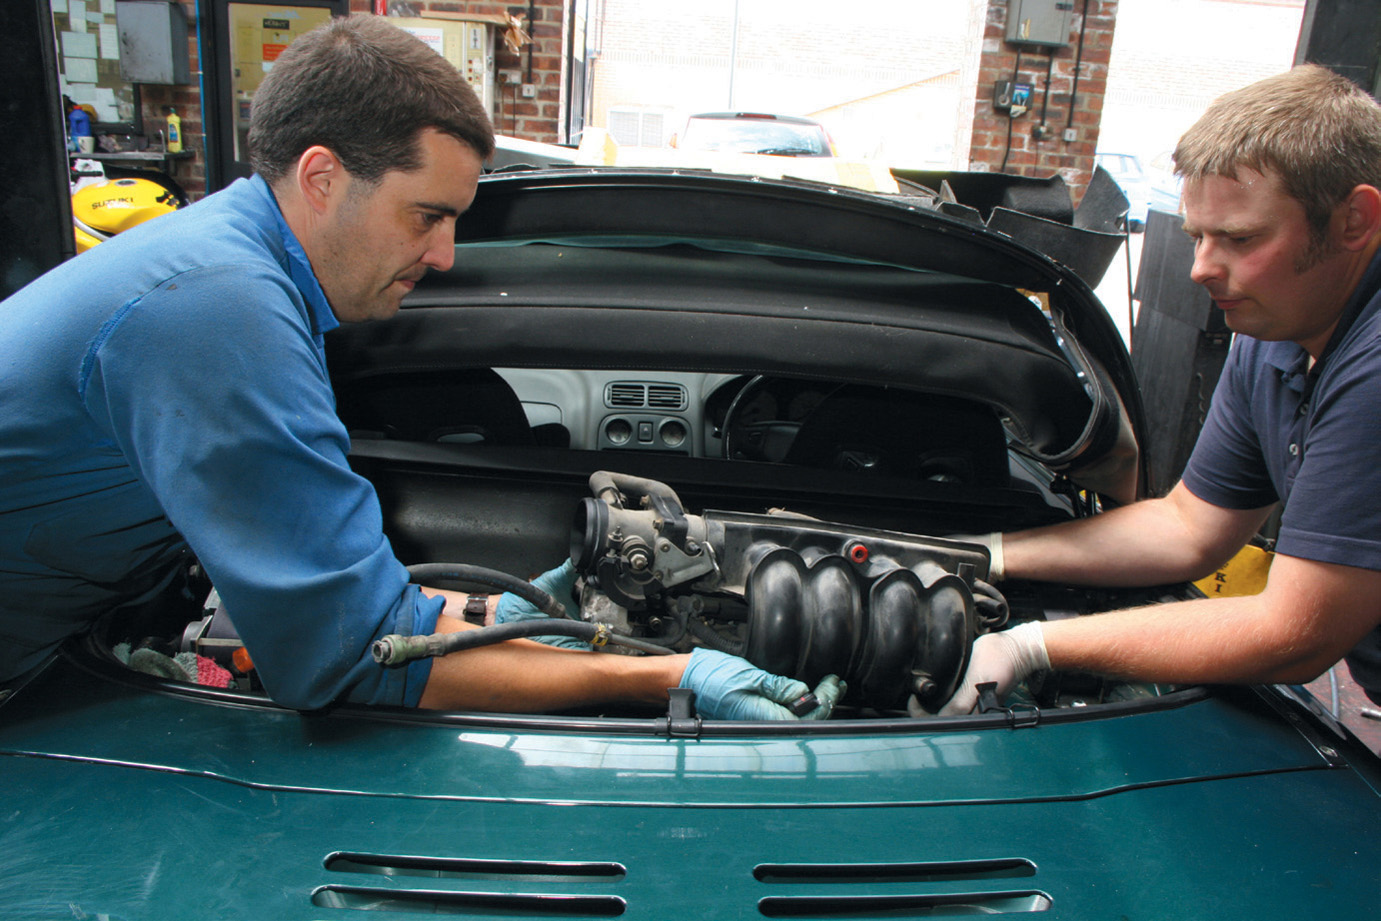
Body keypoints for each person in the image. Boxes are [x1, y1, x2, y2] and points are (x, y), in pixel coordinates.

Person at [0, 15, 840, 721]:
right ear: (322, 177)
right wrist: (664, 674)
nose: (443, 255)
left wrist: (500, 618)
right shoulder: (214, 313)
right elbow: (347, 663)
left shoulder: (227, 265)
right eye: (427, 216)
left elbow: (346, 606)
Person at [939, 64, 1381, 715]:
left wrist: (1031, 644)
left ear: (1354, 221)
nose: (1201, 267)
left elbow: (1293, 634)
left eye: (1239, 238)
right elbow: (1187, 527)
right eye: (1197, 235)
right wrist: (983, 555)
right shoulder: (1274, 331)